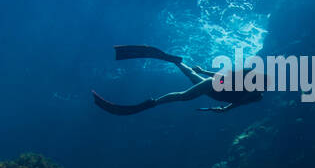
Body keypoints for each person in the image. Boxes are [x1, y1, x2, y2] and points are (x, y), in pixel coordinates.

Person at [92, 45, 263, 115]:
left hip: (214, 94)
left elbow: (237, 104)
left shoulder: (255, 97)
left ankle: (175, 61)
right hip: (213, 86)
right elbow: (222, 78)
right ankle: (154, 102)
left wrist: (224, 110)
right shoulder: (244, 81)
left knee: (191, 76)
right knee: (184, 96)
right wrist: (204, 70)